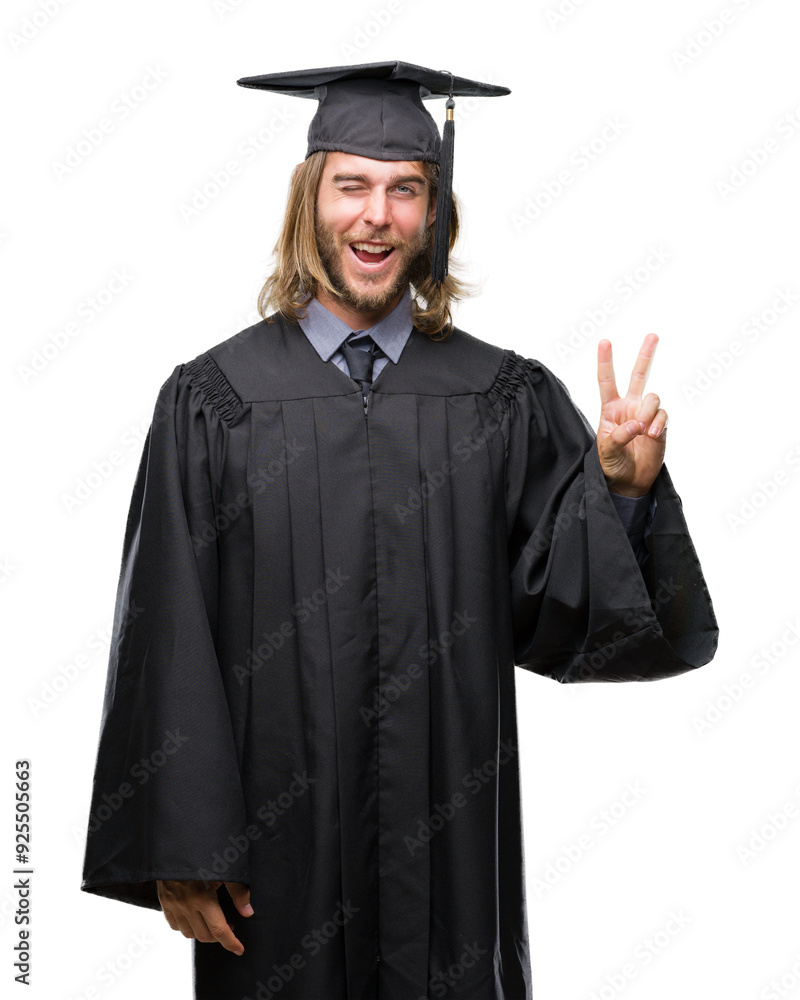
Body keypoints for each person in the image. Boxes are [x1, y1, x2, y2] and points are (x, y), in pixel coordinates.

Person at [81, 61, 718, 1000]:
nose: (376, 216)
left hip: (449, 864)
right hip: (275, 867)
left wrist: (621, 491)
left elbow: (562, 611)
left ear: (435, 214)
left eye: (405, 190)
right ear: (310, 202)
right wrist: (183, 847)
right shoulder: (213, 403)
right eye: (352, 186)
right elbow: (167, 630)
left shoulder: (498, 399)